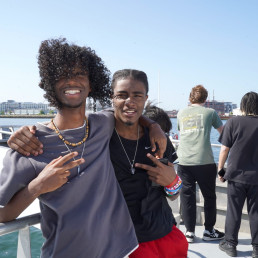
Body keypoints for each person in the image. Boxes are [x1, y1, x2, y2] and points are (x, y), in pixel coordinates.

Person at [0, 39, 165, 258]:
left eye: (79, 73)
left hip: (120, 251)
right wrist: (37, 187)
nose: (71, 80)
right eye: (62, 74)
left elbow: (127, 108)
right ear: (49, 83)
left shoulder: (103, 123)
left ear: (91, 83)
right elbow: (3, 214)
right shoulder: (30, 146)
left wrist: (153, 126)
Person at [110, 69, 188, 257]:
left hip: (165, 235)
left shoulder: (158, 141)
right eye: (122, 95)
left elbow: (173, 195)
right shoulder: (99, 137)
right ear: (112, 98)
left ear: (145, 98)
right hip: (121, 243)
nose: (130, 101)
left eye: (137, 95)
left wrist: (172, 182)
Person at [176, 85, 224, 243]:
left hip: (184, 161)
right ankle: (209, 231)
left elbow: (180, 130)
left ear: (190, 97)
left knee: (187, 196)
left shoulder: (181, 113)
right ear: (205, 99)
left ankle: (189, 232)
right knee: (209, 197)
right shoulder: (210, 113)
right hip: (204, 161)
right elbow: (224, 133)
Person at [217, 92, 258, 258]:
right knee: (256, 213)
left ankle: (230, 244)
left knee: (234, 211)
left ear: (243, 106)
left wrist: (221, 169)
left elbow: (224, 149)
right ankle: (257, 248)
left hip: (236, 176)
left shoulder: (233, 122)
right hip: (256, 178)